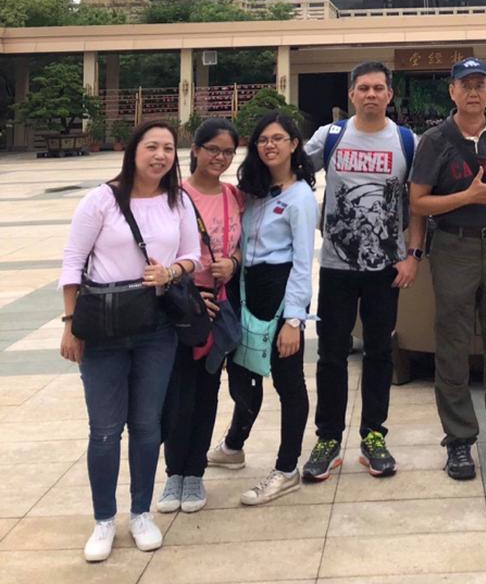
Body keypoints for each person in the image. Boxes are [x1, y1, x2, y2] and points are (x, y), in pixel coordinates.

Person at [59, 121, 200, 563]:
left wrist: (170, 273)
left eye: (168, 148)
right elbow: (72, 263)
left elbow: (193, 255)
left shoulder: (178, 200)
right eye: (151, 146)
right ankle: (104, 519)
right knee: (104, 430)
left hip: (154, 327)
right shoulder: (101, 200)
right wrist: (69, 324)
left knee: (146, 426)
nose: (160, 155)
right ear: (134, 151)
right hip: (101, 329)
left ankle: (141, 512)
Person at [410, 57, 486, 480]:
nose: (473, 92)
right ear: (452, 92)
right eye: (465, 85)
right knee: (453, 344)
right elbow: (418, 202)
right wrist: (465, 198)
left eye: (480, 84)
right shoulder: (435, 139)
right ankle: (459, 440)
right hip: (453, 247)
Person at [301, 61, 424, 481]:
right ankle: (328, 438)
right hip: (336, 266)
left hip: (385, 269)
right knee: (332, 354)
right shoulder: (329, 137)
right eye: (363, 88)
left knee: (379, 352)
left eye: (379, 88)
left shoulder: (408, 142)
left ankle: (374, 436)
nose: (371, 95)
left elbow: (419, 203)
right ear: (352, 94)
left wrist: (413, 255)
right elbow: (290, 175)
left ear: (390, 95)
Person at [207, 111, 317, 504]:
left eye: (278, 138)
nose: (269, 145)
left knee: (288, 383)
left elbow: (303, 262)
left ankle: (287, 469)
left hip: (279, 291)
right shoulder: (252, 191)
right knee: (241, 375)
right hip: (244, 289)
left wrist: (294, 319)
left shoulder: (300, 196)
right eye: (262, 140)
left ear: (294, 144)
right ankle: (234, 447)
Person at [158, 118, 243, 514]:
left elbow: (245, 245)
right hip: (181, 306)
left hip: (219, 305)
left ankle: (195, 473)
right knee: (177, 393)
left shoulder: (234, 196)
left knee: (207, 391)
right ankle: (174, 472)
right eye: (213, 149)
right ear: (196, 149)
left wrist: (234, 262)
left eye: (227, 151)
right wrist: (189, 291)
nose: (220, 158)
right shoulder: (172, 196)